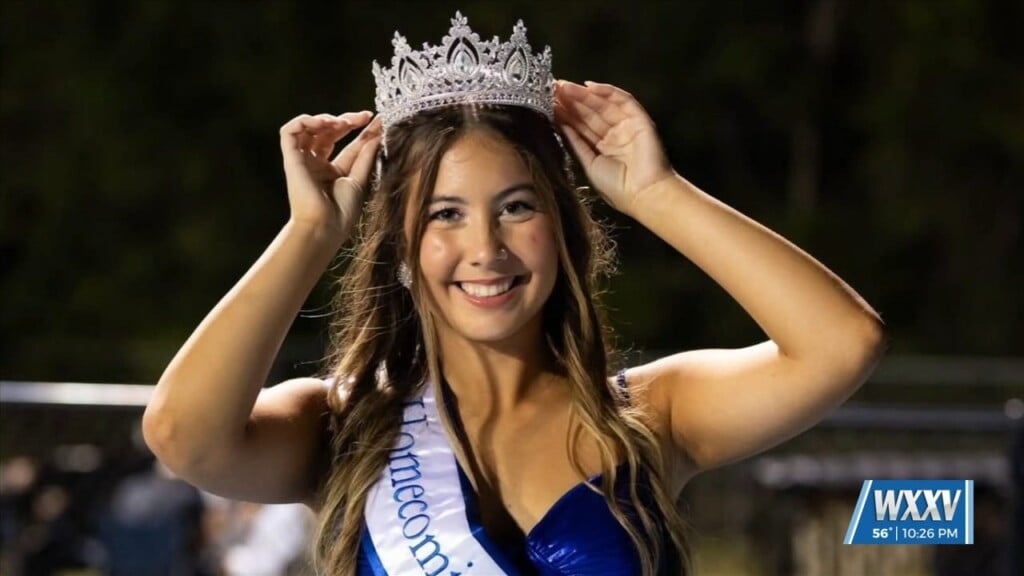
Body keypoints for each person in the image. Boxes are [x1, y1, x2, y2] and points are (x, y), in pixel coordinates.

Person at [142, 12, 886, 576]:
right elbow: (181, 434)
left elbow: (844, 344)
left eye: (517, 207)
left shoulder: (650, 416)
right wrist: (309, 233)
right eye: (445, 214)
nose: (486, 249)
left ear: (560, 227)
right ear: (401, 244)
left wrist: (659, 195)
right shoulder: (342, 427)